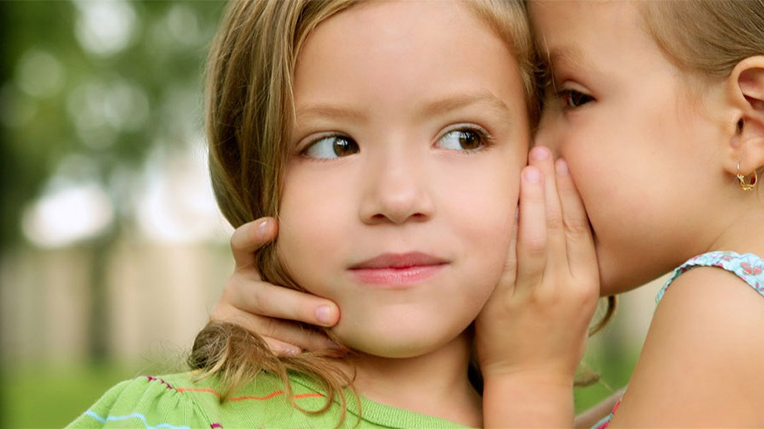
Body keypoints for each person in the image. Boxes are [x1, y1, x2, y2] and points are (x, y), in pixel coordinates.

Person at [216, 1, 764, 427]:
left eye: (572, 98)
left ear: (749, 121)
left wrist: (531, 376)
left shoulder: (729, 314)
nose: (535, 145)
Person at [68, 0, 601, 427]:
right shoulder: (173, 418)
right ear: (249, 169)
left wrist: (529, 386)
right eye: (334, 146)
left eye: (463, 138)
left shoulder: (643, 410)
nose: (396, 199)